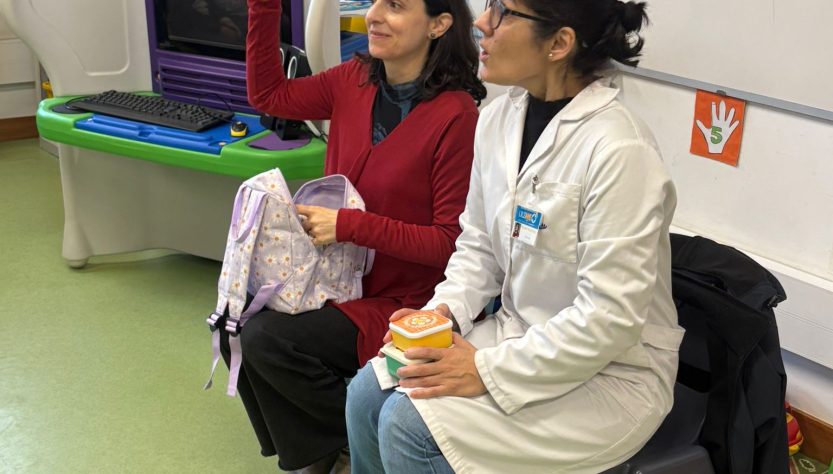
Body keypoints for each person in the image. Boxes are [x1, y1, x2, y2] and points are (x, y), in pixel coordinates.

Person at [345, 0, 684, 473]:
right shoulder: (499, 118)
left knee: (407, 424)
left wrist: (484, 370)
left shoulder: (620, 149)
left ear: (559, 43)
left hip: (612, 374)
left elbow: (609, 319)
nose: (482, 23)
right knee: (366, 394)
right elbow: (479, 246)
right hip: (518, 335)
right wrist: (444, 313)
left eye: (504, 12)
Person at [217, 0, 485, 472]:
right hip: (335, 280)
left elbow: (448, 243)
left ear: (439, 25)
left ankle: (343, 442)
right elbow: (270, 96)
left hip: (404, 302)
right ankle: (328, 446)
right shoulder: (353, 79)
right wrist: (265, 7)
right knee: (234, 323)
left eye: (395, 6)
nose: (374, 15)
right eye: (375, 1)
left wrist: (348, 226)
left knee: (268, 340)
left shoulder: (456, 115)